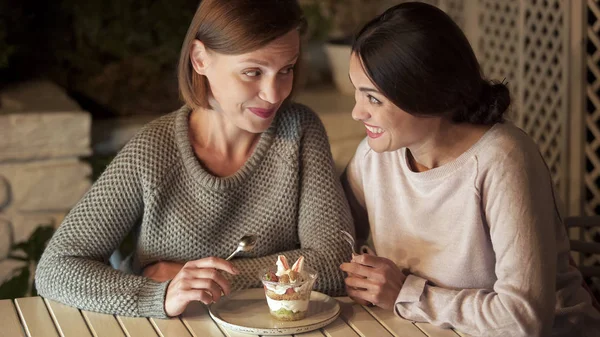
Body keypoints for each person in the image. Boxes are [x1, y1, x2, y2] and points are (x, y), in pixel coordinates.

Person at [35, 0, 353, 318]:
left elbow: (334, 263)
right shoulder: (152, 151)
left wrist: (197, 280)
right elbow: (56, 268)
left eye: (286, 69)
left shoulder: (300, 131)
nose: (274, 93)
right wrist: (159, 295)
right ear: (200, 59)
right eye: (252, 72)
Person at [339, 2, 600, 336]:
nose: (357, 113)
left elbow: (522, 318)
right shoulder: (373, 158)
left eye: (372, 99)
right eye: (357, 94)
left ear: (426, 95)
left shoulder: (502, 159)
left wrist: (404, 293)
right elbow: (332, 241)